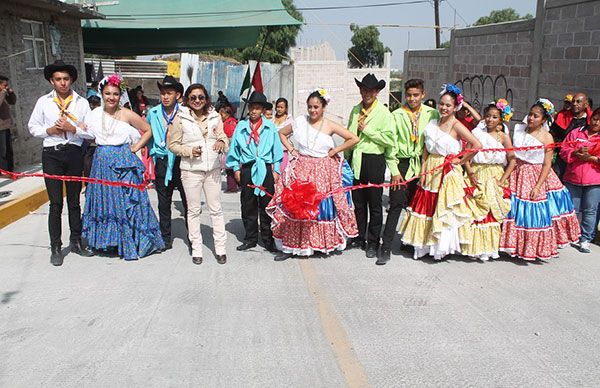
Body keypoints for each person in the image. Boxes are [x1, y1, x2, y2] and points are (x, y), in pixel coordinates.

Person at [267, 89, 359, 257]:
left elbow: (354, 138)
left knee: (319, 205)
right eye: (310, 107)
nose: (312, 110)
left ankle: (317, 244)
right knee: (297, 204)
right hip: (302, 166)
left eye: (316, 107)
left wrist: (335, 150)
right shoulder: (300, 121)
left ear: (324, 107)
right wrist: (292, 149)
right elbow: (281, 133)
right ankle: (294, 245)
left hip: (323, 169)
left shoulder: (329, 124)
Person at [82, 74, 164, 260]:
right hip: (101, 161)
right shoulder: (95, 114)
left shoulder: (126, 113)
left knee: (128, 200)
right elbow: (85, 131)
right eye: (108, 93)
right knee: (105, 202)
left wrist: (136, 147)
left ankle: (131, 241)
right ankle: (107, 242)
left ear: (121, 96)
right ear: (102, 94)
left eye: (116, 94)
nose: (111, 97)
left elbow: (148, 129)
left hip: (123, 160)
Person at [399, 84, 484, 261]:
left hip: (446, 171)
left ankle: (440, 247)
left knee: (443, 207)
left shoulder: (457, 125)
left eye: (448, 105)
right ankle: (423, 244)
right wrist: (423, 167)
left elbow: (477, 145)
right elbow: (425, 149)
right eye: (442, 104)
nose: (444, 108)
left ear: (455, 107)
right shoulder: (432, 122)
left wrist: (460, 161)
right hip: (430, 167)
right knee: (426, 205)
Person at [28, 60, 94, 266]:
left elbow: (91, 132)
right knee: (55, 203)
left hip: (74, 153)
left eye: (66, 79)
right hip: (52, 154)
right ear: (51, 81)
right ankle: (55, 246)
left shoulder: (81, 103)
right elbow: (32, 127)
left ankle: (76, 241)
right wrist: (51, 131)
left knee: (74, 201)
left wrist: (72, 129)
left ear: (72, 80)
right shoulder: (44, 102)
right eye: (58, 79)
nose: (63, 83)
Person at [499, 99, 581, 260]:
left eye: (536, 116)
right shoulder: (519, 129)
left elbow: (546, 164)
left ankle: (530, 248)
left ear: (543, 120)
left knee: (531, 212)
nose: (531, 118)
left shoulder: (547, 137)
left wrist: (537, 186)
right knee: (514, 209)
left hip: (534, 174)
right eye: (530, 114)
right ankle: (512, 245)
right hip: (517, 172)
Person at [380, 79, 439, 265]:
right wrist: (395, 171)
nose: (412, 99)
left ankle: (411, 242)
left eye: (416, 95)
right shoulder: (396, 115)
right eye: (409, 95)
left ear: (423, 94)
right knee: (396, 205)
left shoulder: (432, 113)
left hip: (423, 164)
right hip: (403, 165)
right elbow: (390, 145)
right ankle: (386, 247)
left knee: (416, 206)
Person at [168, 84, 229, 265]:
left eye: (201, 97)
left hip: (212, 170)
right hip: (190, 170)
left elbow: (224, 137)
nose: (197, 101)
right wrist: (188, 150)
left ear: (206, 98)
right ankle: (197, 249)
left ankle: (220, 248)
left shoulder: (215, 116)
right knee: (194, 211)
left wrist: (221, 141)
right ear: (187, 99)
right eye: (193, 97)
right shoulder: (180, 118)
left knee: (216, 209)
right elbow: (172, 145)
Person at [345, 73, 400, 259]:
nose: (366, 93)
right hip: (357, 158)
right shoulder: (355, 110)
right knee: (358, 203)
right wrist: (345, 158)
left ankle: (373, 241)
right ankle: (359, 236)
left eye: (370, 90)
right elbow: (348, 135)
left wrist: (367, 130)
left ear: (377, 92)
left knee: (375, 204)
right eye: (363, 89)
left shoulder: (384, 113)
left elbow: (390, 140)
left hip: (374, 160)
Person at [226, 91, 283, 252]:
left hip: (264, 168)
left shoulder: (270, 127)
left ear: (263, 110)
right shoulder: (241, 127)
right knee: (248, 203)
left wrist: (276, 170)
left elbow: (276, 151)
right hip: (248, 168)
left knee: (266, 204)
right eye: (251, 107)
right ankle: (250, 238)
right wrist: (236, 168)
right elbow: (234, 149)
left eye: (257, 108)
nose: (254, 111)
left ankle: (268, 239)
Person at [462, 99, 516, 260]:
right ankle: (474, 248)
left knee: (492, 212)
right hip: (478, 172)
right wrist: (471, 173)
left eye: (494, 117)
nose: (490, 120)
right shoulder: (477, 134)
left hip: (495, 175)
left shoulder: (504, 137)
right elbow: (465, 156)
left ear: (501, 119)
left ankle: (489, 248)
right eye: (488, 116)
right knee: (476, 210)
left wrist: (503, 179)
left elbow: (512, 160)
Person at [146, 75, 188, 250]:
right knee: (164, 201)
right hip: (162, 161)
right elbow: (147, 134)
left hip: (182, 160)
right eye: (163, 93)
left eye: (169, 93)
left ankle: (192, 237)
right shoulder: (153, 113)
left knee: (188, 201)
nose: (165, 97)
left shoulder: (185, 113)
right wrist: (153, 152)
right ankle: (165, 237)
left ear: (177, 95)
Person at [559, 107, 600, 253]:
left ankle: (585, 239)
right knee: (571, 209)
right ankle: (568, 236)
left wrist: (592, 158)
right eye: (595, 118)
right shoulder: (576, 133)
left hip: (594, 180)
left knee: (590, 210)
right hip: (573, 177)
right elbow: (563, 150)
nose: (596, 122)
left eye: (599, 120)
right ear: (590, 118)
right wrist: (575, 152)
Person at [551, 92, 592, 178]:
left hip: (582, 161)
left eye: (578, 102)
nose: (574, 104)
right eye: (573, 101)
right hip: (562, 157)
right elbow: (553, 134)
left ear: (586, 104)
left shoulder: (592, 119)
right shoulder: (562, 116)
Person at [219, 104, 239, 193]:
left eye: (221, 115)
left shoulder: (229, 123)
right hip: (233, 149)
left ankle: (232, 187)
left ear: (227, 114)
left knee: (229, 170)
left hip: (230, 149)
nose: (220, 117)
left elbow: (230, 137)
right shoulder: (232, 121)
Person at [82, 95, 101, 178]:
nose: (98, 107)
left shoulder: (103, 115)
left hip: (99, 146)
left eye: (99, 105)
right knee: (88, 168)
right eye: (96, 105)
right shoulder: (86, 116)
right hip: (89, 146)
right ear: (90, 105)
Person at [0, 75, 16, 172]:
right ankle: (3, 171)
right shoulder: (1, 94)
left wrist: (11, 93)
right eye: (4, 85)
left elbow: (13, 102)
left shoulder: (3, 94)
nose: (6, 87)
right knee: (2, 151)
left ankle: (10, 170)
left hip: (6, 126)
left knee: (9, 150)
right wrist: (3, 93)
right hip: (0, 128)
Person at [273, 97, 294, 173]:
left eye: (282, 107)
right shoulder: (272, 118)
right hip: (271, 150)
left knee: (282, 171)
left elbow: (288, 134)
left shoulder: (289, 120)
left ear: (286, 108)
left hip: (283, 150)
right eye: (278, 107)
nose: (279, 109)